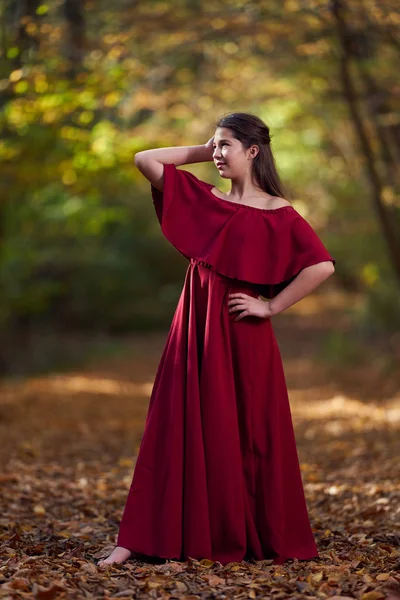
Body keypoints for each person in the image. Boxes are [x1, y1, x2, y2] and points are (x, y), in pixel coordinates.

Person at [98, 112, 335, 567]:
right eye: (217, 145)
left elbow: (321, 266)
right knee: (176, 421)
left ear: (254, 151)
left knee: (244, 428)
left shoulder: (279, 213)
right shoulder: (206, 199)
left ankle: (236, 532)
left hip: (243, 333)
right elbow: (145, 159)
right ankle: (140, 538)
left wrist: (271, 306)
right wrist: (206, 149)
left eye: (229, 146)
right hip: (195, 326)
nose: (219, 154)